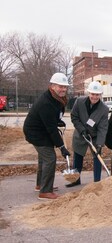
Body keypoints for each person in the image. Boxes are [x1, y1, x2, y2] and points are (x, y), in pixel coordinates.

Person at [23, 72, 71, 200]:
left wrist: (57, 120)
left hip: (41, 129)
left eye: (65, 87)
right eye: (60, 86)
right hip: (36, 133)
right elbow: (51, 129)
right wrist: (62, 147)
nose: (63, 89)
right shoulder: (46, 102)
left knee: (43, 159)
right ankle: (45, 191)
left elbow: (51, 120)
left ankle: (40, 184)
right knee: (50, 158)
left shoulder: (55, 98)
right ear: (52, 86)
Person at [67, 81, 109, 187]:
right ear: (89, 93)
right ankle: (75, 180)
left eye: (97, 95)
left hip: (95, 136)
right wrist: (82, 130)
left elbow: (102, 128)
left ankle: (97, 181)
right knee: (77, 156)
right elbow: (74, 117)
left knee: (97, 157)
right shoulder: (79, 102)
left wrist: (99, 144)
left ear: (100, 95)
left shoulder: (104, 109)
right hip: (81, 134)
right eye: (93, 94)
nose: (94, 97)